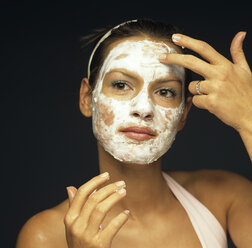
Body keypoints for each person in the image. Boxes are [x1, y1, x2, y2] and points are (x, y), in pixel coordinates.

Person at [16, 19, 252, 248]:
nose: (143, 109)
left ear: (183, 113)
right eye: (121, 85)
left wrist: (249, 117)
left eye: (166, 91)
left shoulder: (224, 196)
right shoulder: (46, 236)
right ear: (87, 98)